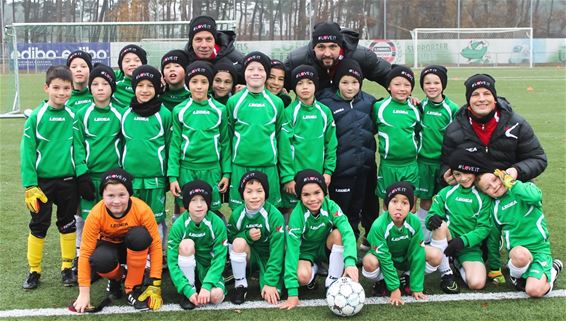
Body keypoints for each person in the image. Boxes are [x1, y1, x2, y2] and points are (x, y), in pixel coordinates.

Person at [72, 169, 163, 313]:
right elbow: (85, 253)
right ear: (102, 195)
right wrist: (84, 294)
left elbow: (156, 246)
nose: (116, 201)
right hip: (108, 249)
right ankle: (117, 277)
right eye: (110, 195)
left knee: (140, 236)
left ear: (129, 194)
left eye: (122, 195)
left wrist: (155, 283)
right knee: (99, 260)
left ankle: (131, 288)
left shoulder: (142, 210)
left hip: (133, 248)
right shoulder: (95, 214)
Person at [20, 65, 78, 289]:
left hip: (67, 182)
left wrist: (79, 175)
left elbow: (79, 148)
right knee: (38, 225)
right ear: (46, 88)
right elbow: (27, 153)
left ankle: (66, 268)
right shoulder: (36, 117)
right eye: (56, 88)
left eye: (66, 88)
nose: (61, 93)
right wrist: (30, 184)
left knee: (67, 224)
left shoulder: (73, 116)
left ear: (72, 89)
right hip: (41, 185)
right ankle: (34, 270)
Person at [441, 74, 547, 185]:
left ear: (494, 98)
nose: (482, 99)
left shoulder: (516, 124)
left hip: (511, 190)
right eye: (475, 94)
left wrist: (516, 171)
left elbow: (537, 158)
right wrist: (446, 175)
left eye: (487, 93)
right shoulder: (454, 129)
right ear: (469, 100)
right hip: (474, 192)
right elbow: (446, 164)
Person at [317, 58, 379, 248]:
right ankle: (342, 246)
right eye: (345, 82)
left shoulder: (369, 102)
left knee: (369, 207)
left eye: (354, 82)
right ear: (337, 82)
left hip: (366, 167)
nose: (350, 87)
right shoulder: (325, 102)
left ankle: (370, 241)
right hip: (341, 170)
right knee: (344, 211)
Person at [280, 170, 358, 310]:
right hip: (305, 253)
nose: (313, 199)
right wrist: (292, 293)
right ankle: (313, 270)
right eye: (306, 195)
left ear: (324, 192)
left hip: (325, 248)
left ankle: (333, 282)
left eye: (317, 193)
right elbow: (292, 252)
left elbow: (347, 231)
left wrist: (350, 262)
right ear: (300, 196)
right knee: (302, 277)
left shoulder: (331, 206)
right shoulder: (297, 216)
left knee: (338, 234)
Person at [477, 170, 563, 297]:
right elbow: (493, 239)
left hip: (539, 251)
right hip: (518, 256)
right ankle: (516, 276)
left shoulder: (524, 188)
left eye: (495, 180)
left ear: (501, 176)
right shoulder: (494, 208)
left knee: (534, 291)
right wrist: (495, 268)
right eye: (487, 187)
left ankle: (553, 269)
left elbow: (535, 197)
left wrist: (511, 182)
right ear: (485, 193)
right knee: (520, 254)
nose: (494, 186)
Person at [225, 51, 293, 208]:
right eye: (251, 69)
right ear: (244, 72)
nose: (255, 73)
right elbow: (227, 139)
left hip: (268, 166)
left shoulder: (276, 103)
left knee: (269, 212)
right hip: (240, 167)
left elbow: (280, 138)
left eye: (261, 69)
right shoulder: (234, 102)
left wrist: (287, 173)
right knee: (239, 212)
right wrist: (227, 172)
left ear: (267, 74)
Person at [72, 64, 122, 271]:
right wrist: (82, 174)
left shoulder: (121, 114)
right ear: (90, 88)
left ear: (112, 87)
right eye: (95, 84)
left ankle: (115, 258)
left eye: (104, 84)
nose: (100, 88)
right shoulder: (82, 114)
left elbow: (126, 144)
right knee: (86, 219)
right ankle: (81, 259)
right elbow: (77, 145)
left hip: (112, 179)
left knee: (114, 217)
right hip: (89, 178)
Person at [168, 61, 230, 219]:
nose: (199, 86)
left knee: (211, 211)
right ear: (188, 83)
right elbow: (175, 145)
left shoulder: (220, 110)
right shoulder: (179, 110)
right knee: (185, 212)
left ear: (209, 84)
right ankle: (186, 243)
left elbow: (225, 143)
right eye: (194, 82)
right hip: (186, 170)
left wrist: (226, 173)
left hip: (212, 170)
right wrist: (173, 176)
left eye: (204, 82)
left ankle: (213, 242)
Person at [362, 182, 441, 306]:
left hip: (405, 258)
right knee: (369, 262)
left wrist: (417, 287)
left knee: (436, 255)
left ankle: (408, 278)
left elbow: (418, 252)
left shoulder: (414, 222)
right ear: (387, 205)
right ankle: (382, 280)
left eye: (404, 203)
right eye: (394, 201)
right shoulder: (378, 225)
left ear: (410, 207)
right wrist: (394, 288)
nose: (399, 207)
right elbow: (384, 257)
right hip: (384, 260)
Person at [121, 65, 172, 258]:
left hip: (155, 179)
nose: (144, 89)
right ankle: (135, 257)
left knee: (155, 219)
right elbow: (121, 146)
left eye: (150, 85)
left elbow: (169, 145)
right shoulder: (125, 114)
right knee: (132, 218)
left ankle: (157, 257)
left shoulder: (164, 114)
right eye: (140, 85)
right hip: (131, 179)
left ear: (157, 88)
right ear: (134, 87)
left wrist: (167, 175)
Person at [426, 148, 493, 291]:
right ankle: (446, 273)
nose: (463, 178)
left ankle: (456, 263)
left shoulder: (483, 197)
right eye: (457, 174)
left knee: (477, 283)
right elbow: (432, 214)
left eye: (467, 172)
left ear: (475, 171)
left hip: (469, 247)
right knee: (439, 225)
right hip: (447, 241)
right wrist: (432, 219)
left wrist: (463, 241)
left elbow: (484, 228)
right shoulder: (446, 192)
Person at [281, 65, 337, 210]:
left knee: (318, 216)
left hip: (319, 177)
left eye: (309, 83)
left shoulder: (325, 112)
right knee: (293, 217)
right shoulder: (289, 113)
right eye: (300, 83)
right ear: (294, 87)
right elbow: (284, 147)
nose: (305, 87)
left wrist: (328, 172)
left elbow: (331, 144)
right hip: (294, 179)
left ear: (316, 85)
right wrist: (288, 177)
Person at [167, 180, 228, 310]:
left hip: (208, 268)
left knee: (216, 297)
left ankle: (204, 284)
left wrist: (207, 285)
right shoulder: (179, 225)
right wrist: (186, 289)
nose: (199, 205)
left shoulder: (217, 223)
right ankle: (190, 288)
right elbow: (172, 262)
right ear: (187, 203)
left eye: (203, 200)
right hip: (187, 269)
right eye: (194, 200)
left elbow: (220, 257)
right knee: (186, 245)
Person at [415, 66, 460, 241]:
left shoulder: (452, 108)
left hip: (444, 165)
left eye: (436, 82)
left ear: (443, 85)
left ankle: (445, 237)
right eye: (427, 83)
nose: (432, 86)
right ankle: (424, 238)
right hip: (423, 163)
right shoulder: (420, 106)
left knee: (446, 201)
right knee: (425, 200)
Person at [227, 171, 285, 305]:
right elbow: (230, 238)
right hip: (249, 255)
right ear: (242, 194)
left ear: (266, 193)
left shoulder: (274, 216)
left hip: (268, 257)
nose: (254, 197)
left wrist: (270, 282)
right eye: (249, 192)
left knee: (271, 294)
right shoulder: (237, 214)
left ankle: (266, 274)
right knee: (238, 243)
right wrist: (247, 236)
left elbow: (277, 251)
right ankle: (240, 284)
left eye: (259, 191)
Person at [285, 22, 391, 92]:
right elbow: (276, 84)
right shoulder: (297, 60)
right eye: (321, 47)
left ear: (340, 46)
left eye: (333, 47)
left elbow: (390, 76)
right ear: (314, 47)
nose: (327, 53)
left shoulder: (362, 56)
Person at [372, 65, 420, 209]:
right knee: (388, 203)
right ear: (388, 86)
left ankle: (409, 231)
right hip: (388, 165)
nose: (402, 88)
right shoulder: (379, 107)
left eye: (407, 85)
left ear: (411, 89)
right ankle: (388, 230)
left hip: (410, 165)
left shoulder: (416, 108)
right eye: (397, 84)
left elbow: (417, 132)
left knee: (410, 203)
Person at [184, 15, 245, 82]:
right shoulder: (183, 61)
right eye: (198, 39)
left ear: (214, 40)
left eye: (208, 39)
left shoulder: (237, 60)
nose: (204, 45)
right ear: (191, 42)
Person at [112, 44, 147, 109]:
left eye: (137, 60)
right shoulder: (113, 87)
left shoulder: (153, 86)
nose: (132, 64)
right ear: (121, 65)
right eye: (127, 61)